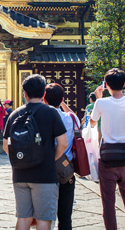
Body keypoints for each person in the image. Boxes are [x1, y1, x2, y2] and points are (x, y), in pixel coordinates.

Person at [3, 74, 67, 230]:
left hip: (20, 174)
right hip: (44, 174)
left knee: (23, 218)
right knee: (43, 219)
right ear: (43, 93)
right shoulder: (51, 113)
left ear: (24, 93)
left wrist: (20, 160)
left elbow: (6, 145)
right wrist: (49, 159)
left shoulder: (15, 114)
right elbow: (63, 144)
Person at [90, 68, 125, 230]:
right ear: (124, 84)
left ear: (106, 84)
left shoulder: (101, 103)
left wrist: (99, 99)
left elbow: (92, 123)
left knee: (108, 202)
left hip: (107, 157)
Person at [44, 83, 78, 230]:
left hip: (45, 168)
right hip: (66, 168)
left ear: (43, 99)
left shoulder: (41, 117)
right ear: (62, 99)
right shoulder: (70, 118)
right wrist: (62, 102)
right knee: (65, 216)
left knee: (44, 215)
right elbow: (75, 117)